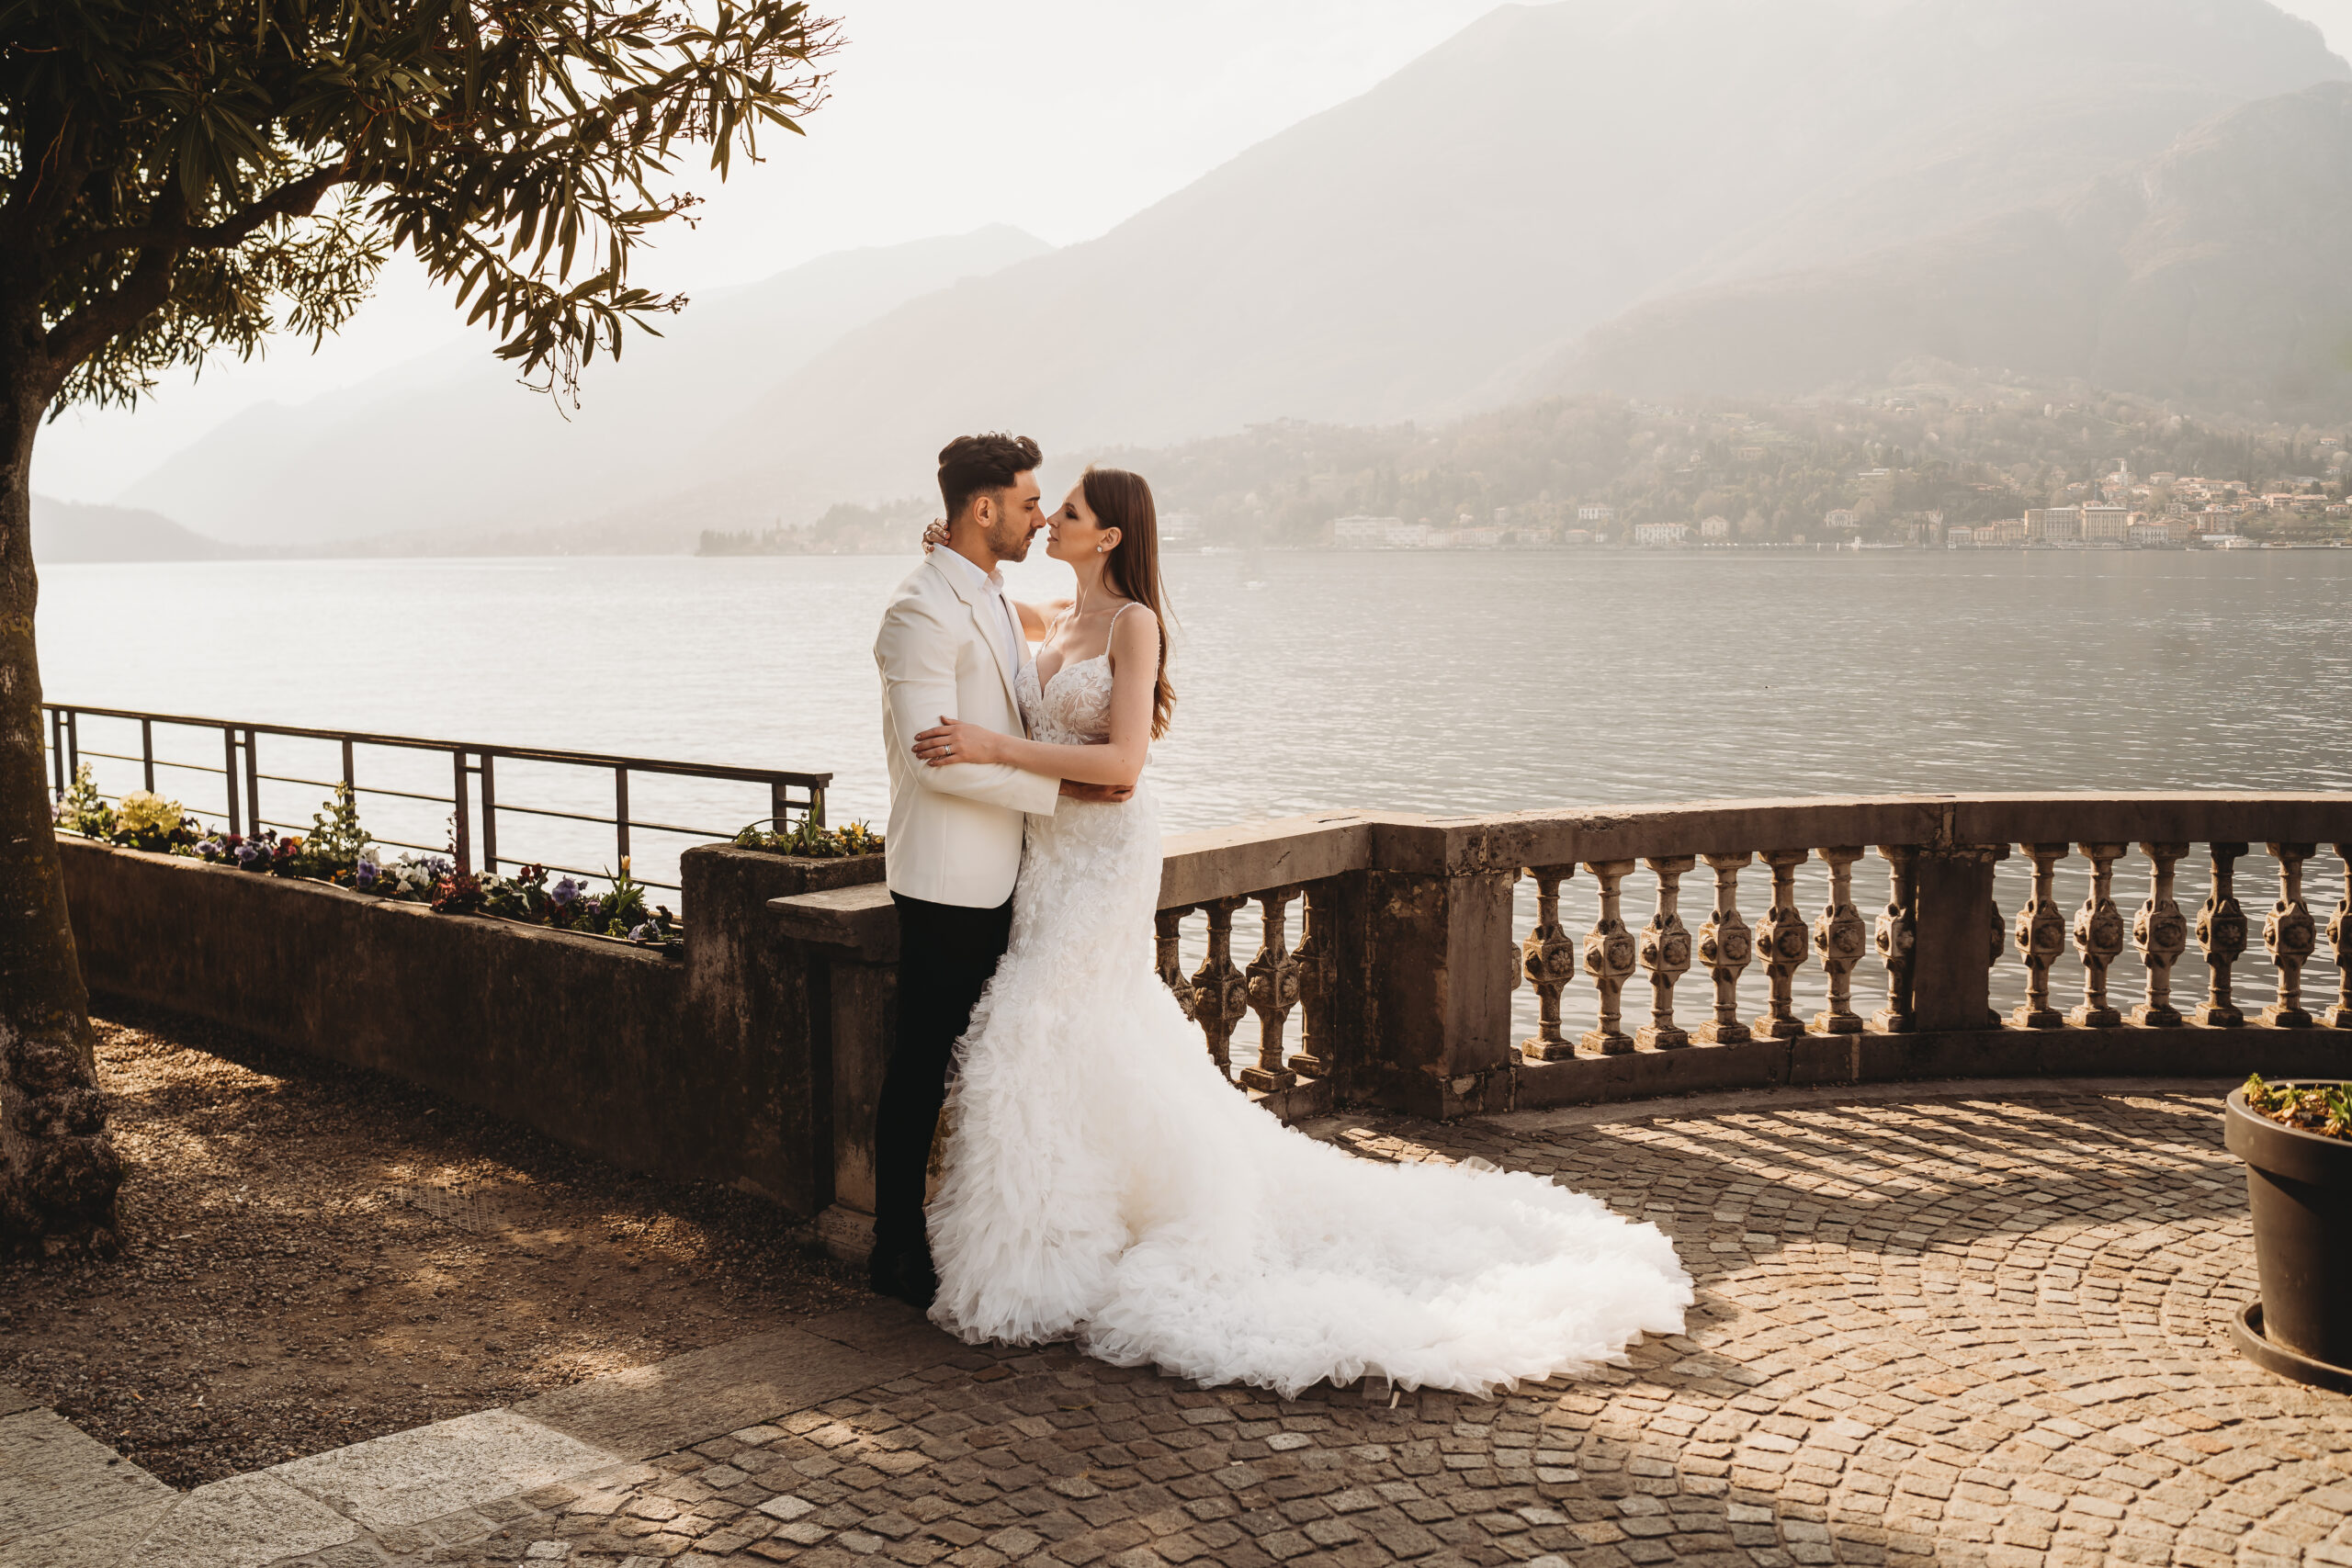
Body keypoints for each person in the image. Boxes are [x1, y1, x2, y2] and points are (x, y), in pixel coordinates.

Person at [896, 459, 1695, 1398]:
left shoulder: (1135, 623)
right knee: (1077, 1039)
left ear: (1108, 534)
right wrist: (949, 554)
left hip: (1102, 856)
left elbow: (1119, 765)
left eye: (1065, 511)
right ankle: (1084, 1226)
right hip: (1047, 863)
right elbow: (991, 612)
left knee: (1037, 1023)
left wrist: (991, 745)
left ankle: (1048, 1259)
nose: (1049, 521)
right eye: (1046, 507)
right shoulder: (1048, 619)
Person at [868, 433, 1131, 1309]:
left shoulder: (985, 590)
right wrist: (1062, 800)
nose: (1039, 517)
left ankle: (989, 1231)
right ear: (984, 508)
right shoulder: (918, 614)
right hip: (947, 877)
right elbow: (936, 757)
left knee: (991, 1066)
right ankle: (894, 1245)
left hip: (1015, 874)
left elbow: (1030, 679)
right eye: (1029, 502)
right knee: (921, 1064)